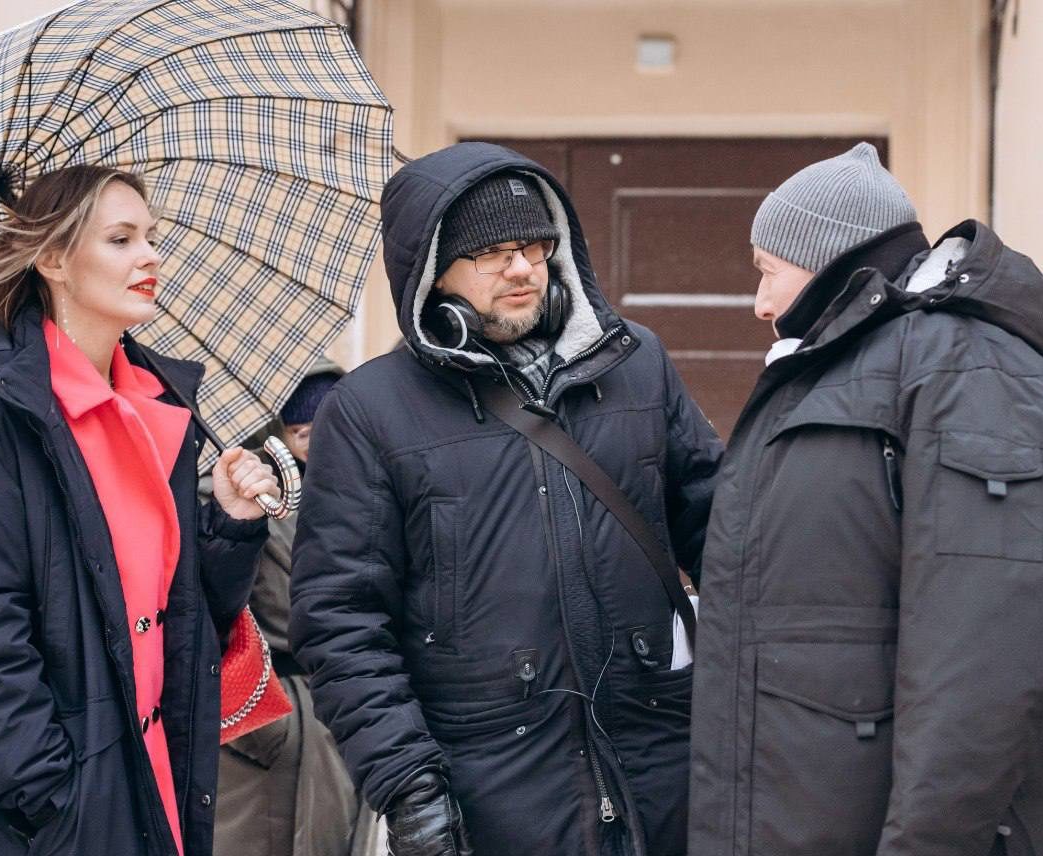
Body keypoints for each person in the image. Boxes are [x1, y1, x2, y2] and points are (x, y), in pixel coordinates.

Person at [289, 142, 724, 856]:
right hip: (491, 794)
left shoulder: (637, 364)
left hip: (664, 772)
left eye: (533, 246)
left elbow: (726, 537)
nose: (521, 268)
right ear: (432, 272)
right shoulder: (369, 410)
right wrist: (409, 785)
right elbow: (341, 622)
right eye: (490, 253)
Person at [688, 142, 1043, 856]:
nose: (761, 304)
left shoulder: (974, 378)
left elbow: (985, 659)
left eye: (767, 270)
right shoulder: (853, 373)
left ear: (828, 259)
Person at [0, 164, 281, 856]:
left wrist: (229, 526)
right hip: (53, 816)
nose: (150, 256)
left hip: (153, 784)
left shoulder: (154, 409)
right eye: (121, 239)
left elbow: (180, 622)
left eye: (152, 237)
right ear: (53, 260)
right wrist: (54, 802)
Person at [215, 359, 378, 856]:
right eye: (301, 431)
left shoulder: (365, 489)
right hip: (272, 716)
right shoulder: (240, 497)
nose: (314, 442)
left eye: (326, 427)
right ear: (277, 433)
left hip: (346, 708)